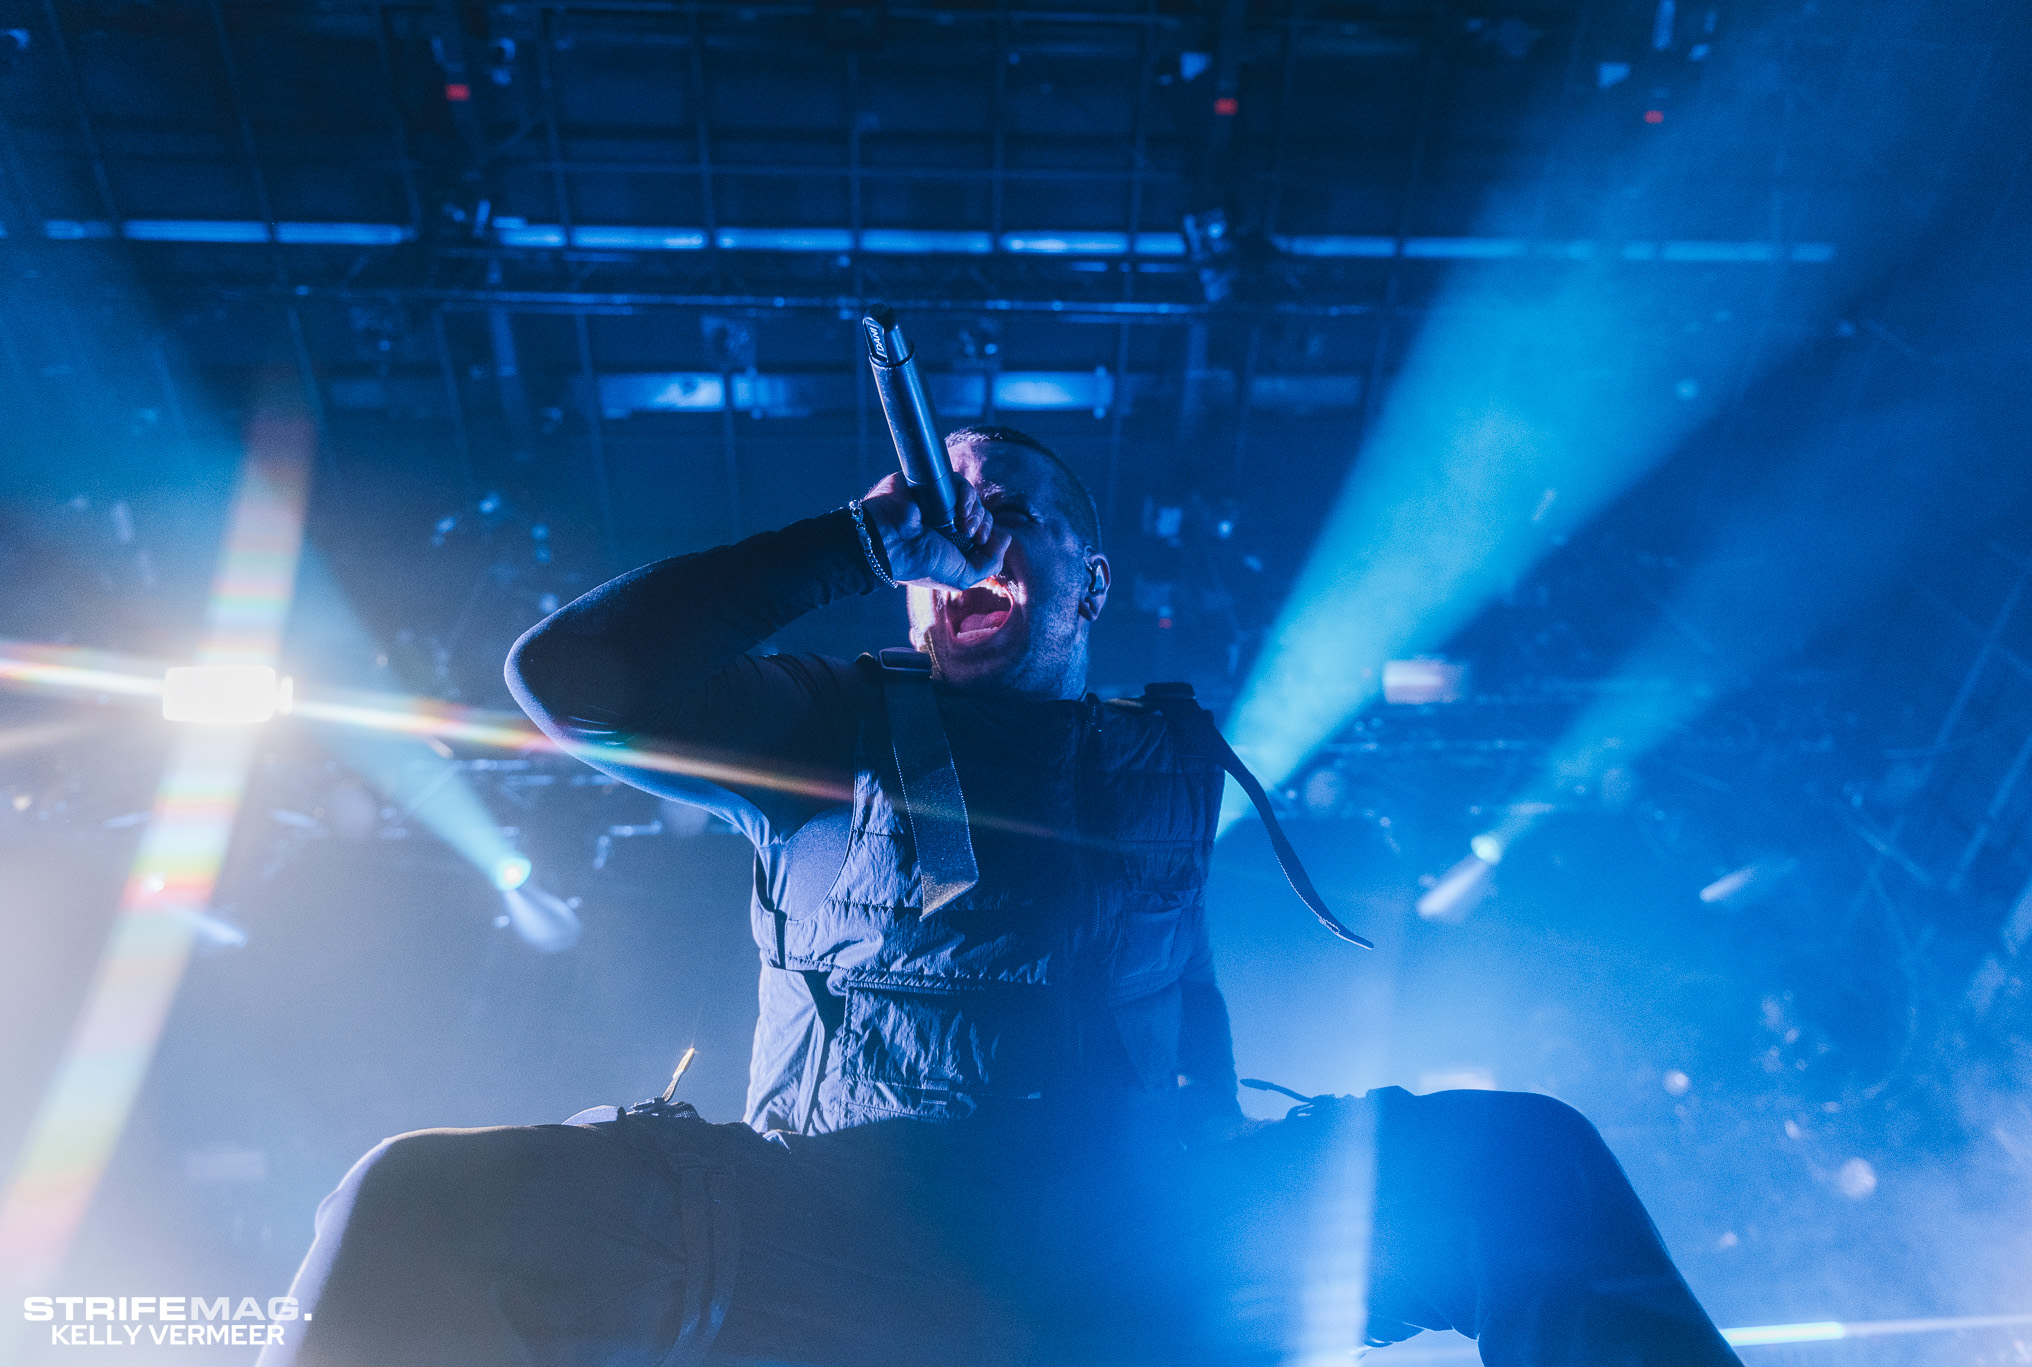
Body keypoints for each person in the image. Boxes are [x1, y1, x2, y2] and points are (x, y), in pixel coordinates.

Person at [262, 426, 1743, 1367]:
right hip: (839, 1227)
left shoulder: (1163, 757)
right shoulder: (820, 726)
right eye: (942, 517)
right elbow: (566, 683)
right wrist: (848, 544)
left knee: (1523, 1166)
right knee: (415, 1198)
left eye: (1011, 509)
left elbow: (1178, 1001)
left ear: (1088, 585)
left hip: (1133, 1227)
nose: (971, 536)